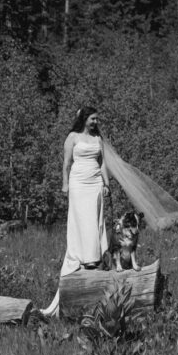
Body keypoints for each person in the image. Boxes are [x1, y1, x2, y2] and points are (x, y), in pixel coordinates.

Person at [39, 105, 111, 317]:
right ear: (84, 119)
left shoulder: (98, 139)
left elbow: (103, 162)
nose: (95, 122)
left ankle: (94, 258)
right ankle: (83, 257)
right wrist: (64, 184)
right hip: (78, 183)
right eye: (92, 119)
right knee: (83, 220)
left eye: (97, 119)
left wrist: (107, 184)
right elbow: (66, 163)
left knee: (95, 220)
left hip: (95, 182)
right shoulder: (72, 137)